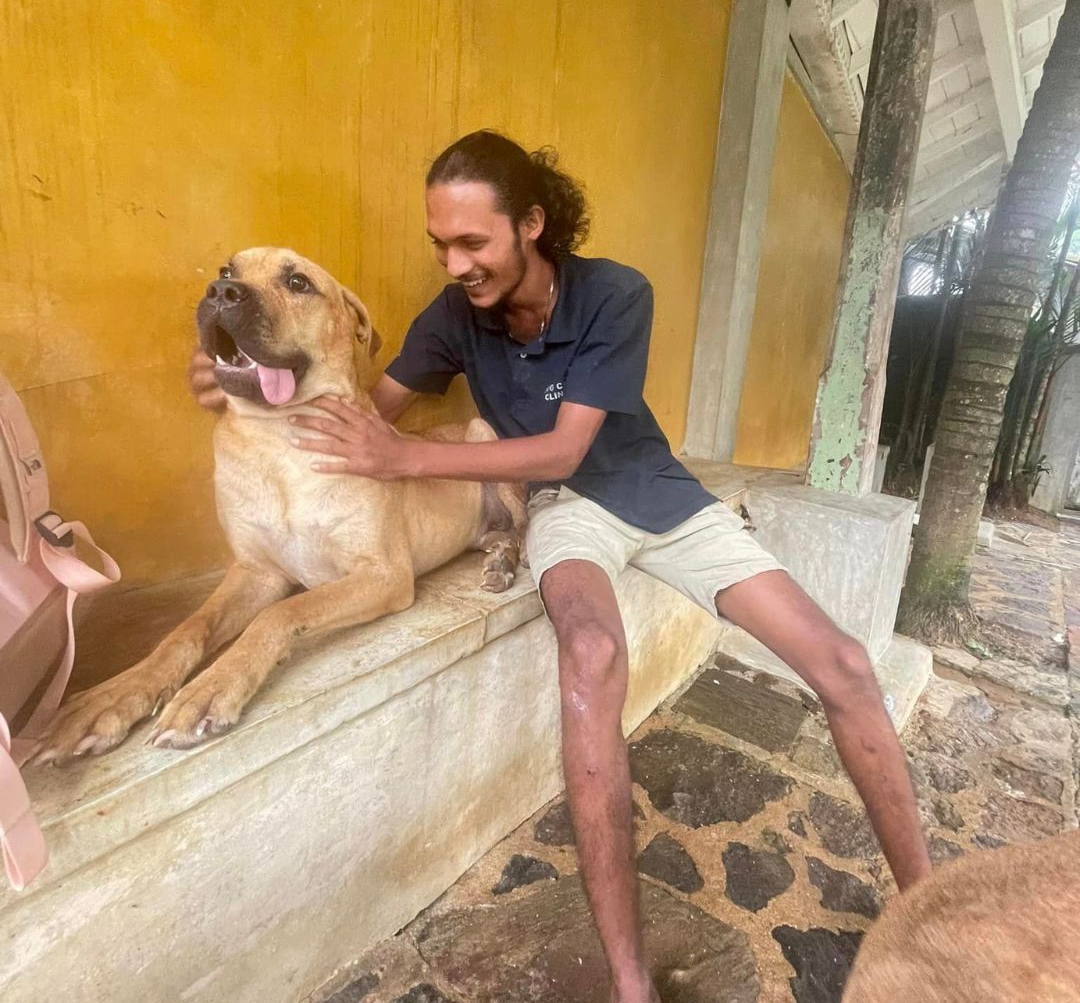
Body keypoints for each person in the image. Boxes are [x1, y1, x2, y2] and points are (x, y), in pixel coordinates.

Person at [190, 130, 931, 1003]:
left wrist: (404, 462)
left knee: (843, 663)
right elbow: (365, 414)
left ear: (532, 224)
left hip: (660, 494)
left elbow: (565, 446)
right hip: (565, 513)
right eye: (441, 243)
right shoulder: (450, 319)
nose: (455, 262)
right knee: (589, 658)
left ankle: (929, 907)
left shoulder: (616, 294)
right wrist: (250, 377)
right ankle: (629, 986)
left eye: (473, 242)